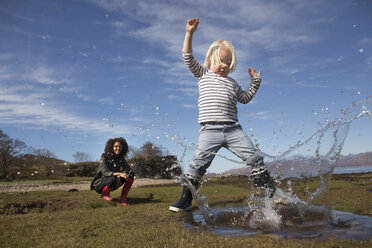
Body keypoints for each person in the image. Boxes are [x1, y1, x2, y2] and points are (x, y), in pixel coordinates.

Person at [169, 18, 276, 212]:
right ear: (210, 61)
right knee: (198, 165)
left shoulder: (233, 83)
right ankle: (186, 198)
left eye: (228, 62)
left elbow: (244, 98)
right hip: (209, 130)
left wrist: (256, 82)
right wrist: (189, 33)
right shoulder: (203, 74)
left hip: (234, 129)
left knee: (254, 158)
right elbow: (187, 56)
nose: (224, 66)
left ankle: (269, 189)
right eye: (220, 61)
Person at [91, 137, 135, 206]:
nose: (118, 148)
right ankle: (104, 194)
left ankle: (122, 199)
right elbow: (105, 172)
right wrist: (118, 174)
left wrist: (123, 174)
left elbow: (127, 169)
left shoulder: (121, 157)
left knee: (131, 175)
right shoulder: (104, 156)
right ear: (111, 147)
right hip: (100, 185)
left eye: (120, 146)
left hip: (113, 183)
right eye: (115, 146)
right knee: (113, 177)